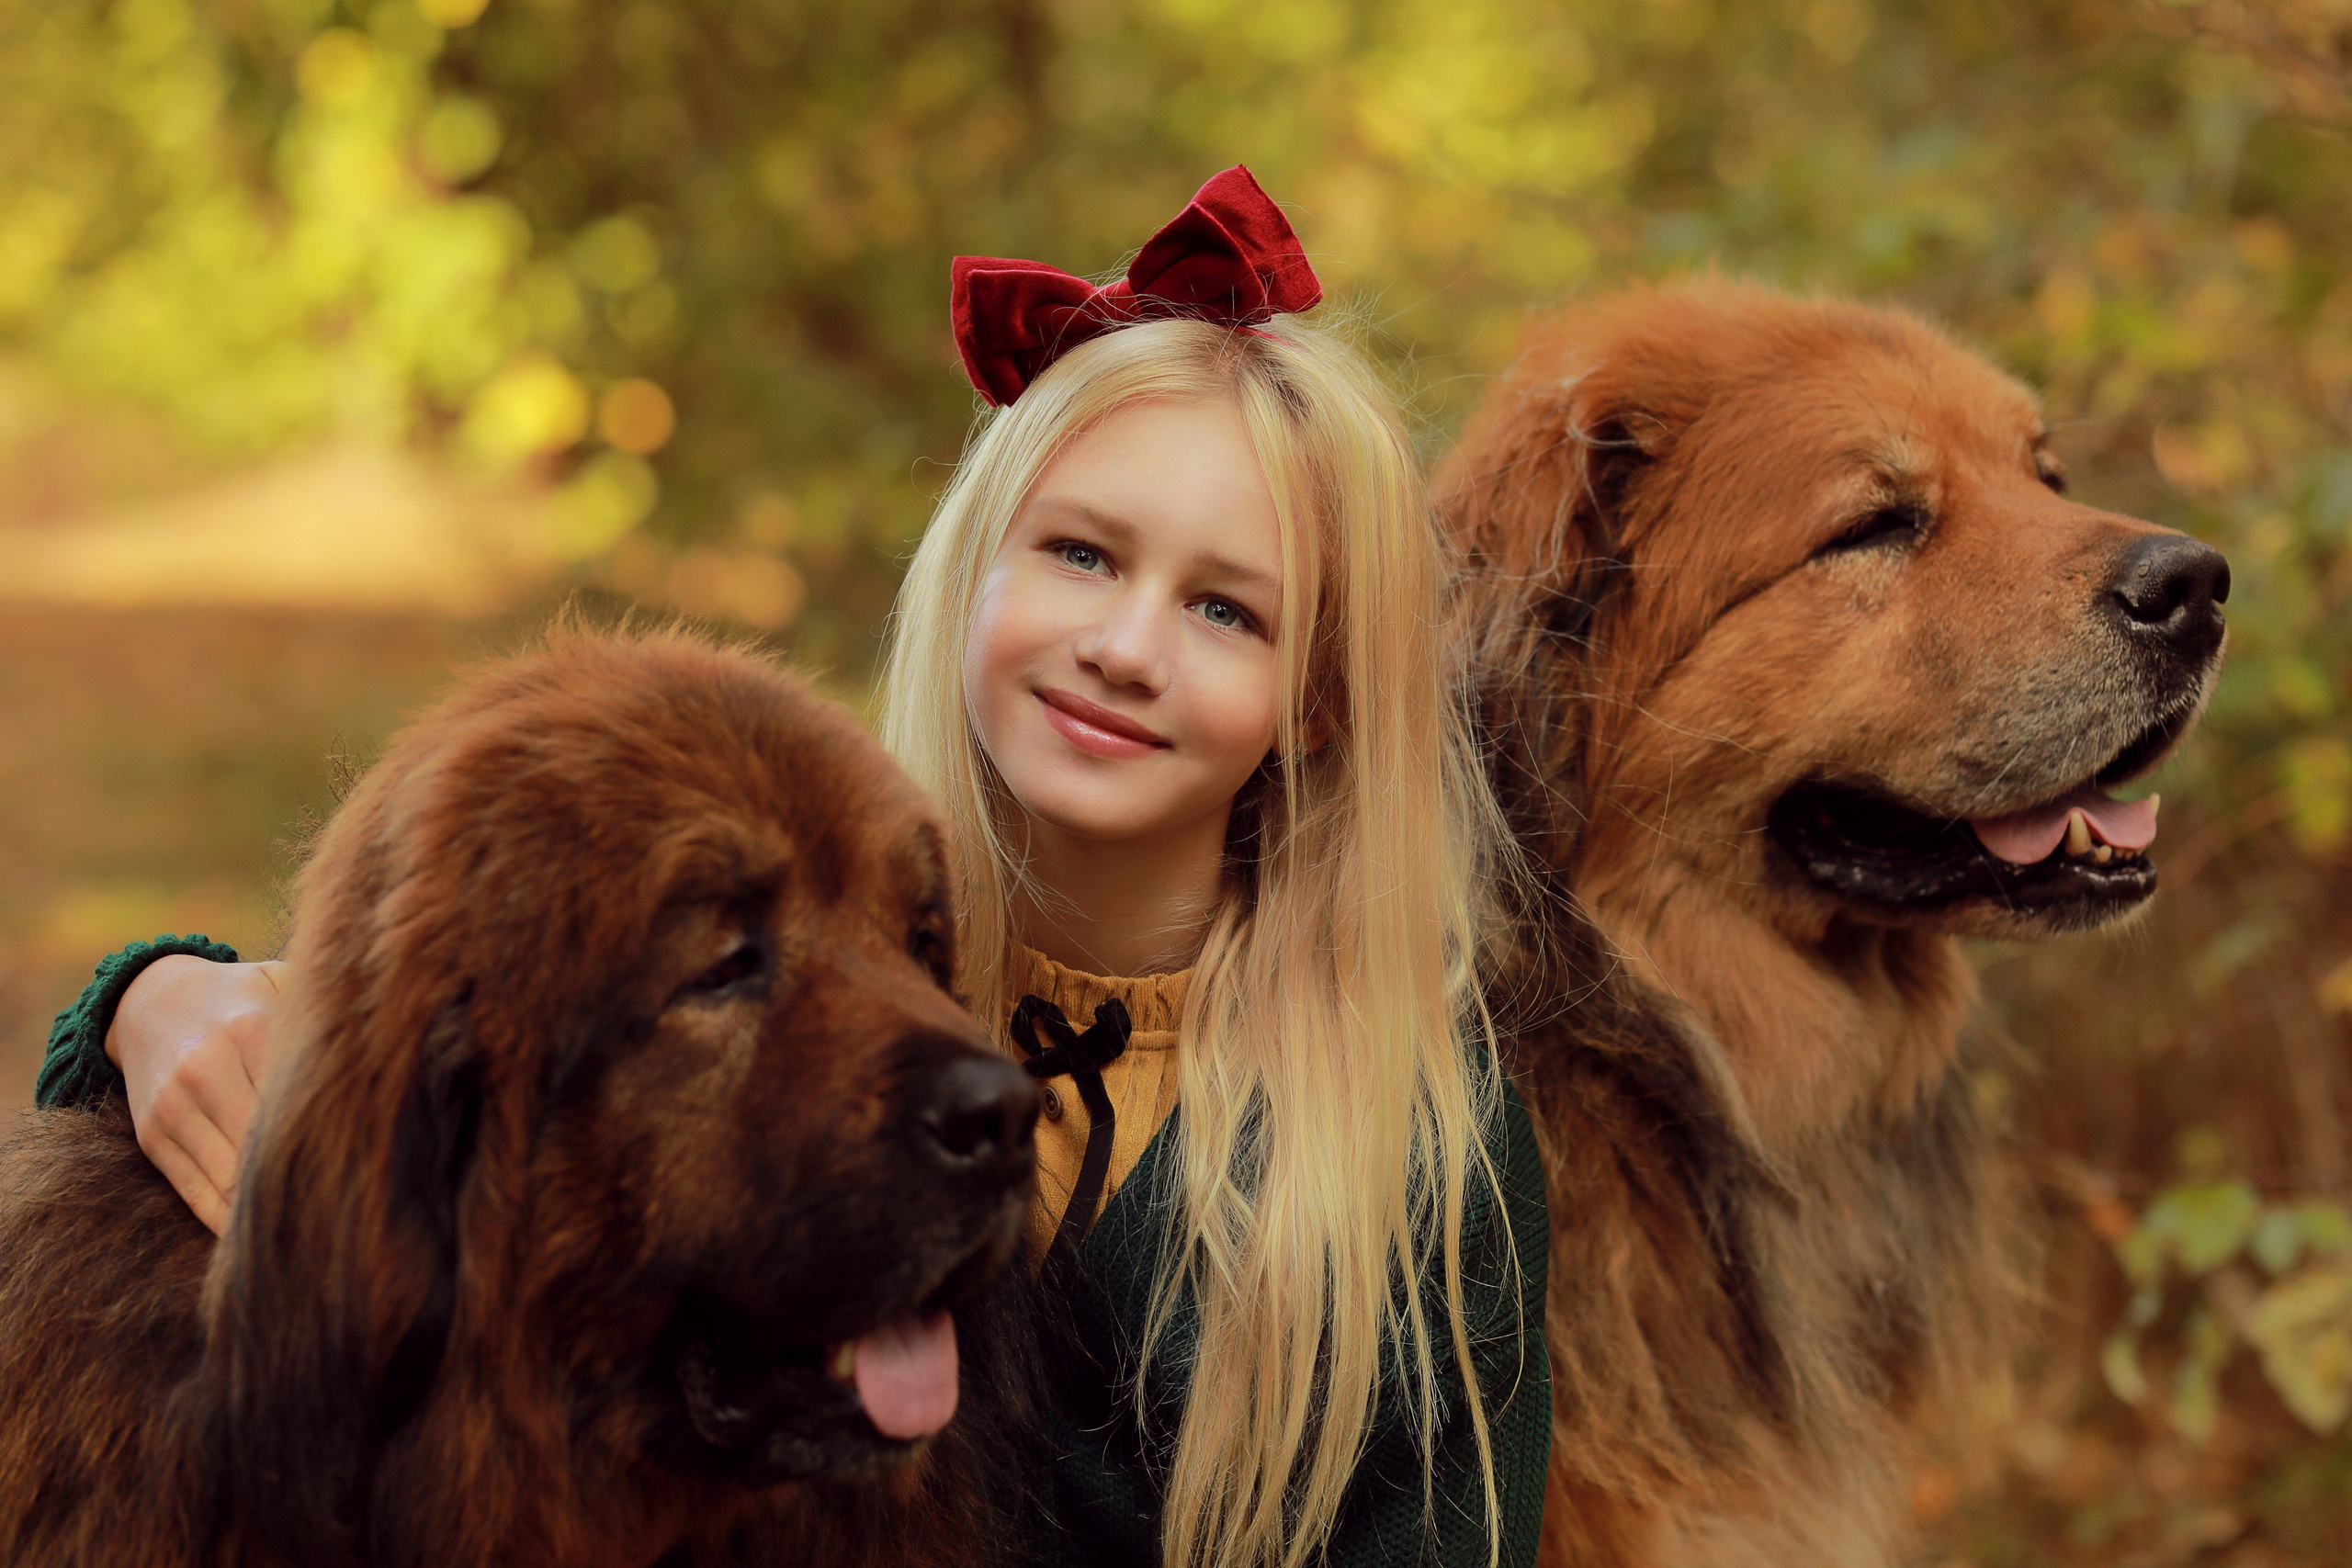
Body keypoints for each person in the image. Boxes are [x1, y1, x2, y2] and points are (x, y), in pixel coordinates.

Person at [38, 167, 1550, 1568]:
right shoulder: (852, 881)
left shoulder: (1407, 1138)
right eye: (1082, 554)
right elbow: (380, 1026)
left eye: (1228, 611)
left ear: (1321, 698)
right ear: (975, 565)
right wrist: (144, 999)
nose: (1127, 645)